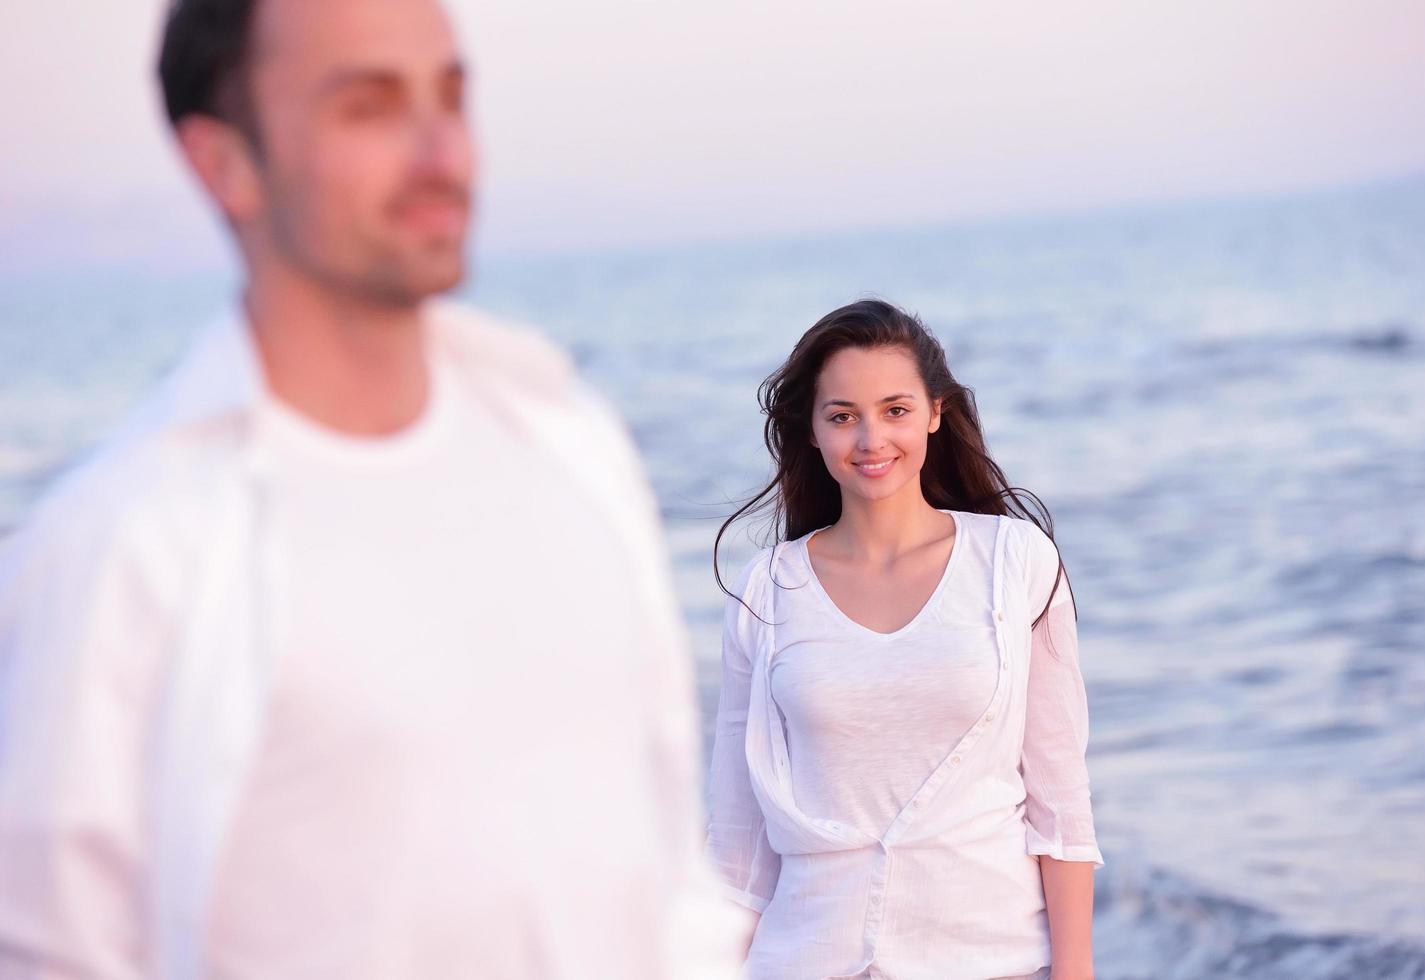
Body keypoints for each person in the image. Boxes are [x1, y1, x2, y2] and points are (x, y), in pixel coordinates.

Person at [0, 0, 738, 976]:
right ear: (224, 164)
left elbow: (666, 876)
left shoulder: (573, 442)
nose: (443, 154)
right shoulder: (120, 546)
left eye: (451, 95)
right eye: (369, 106)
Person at [705, 299, 1103, 980]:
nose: (869, 440)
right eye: (841, 416)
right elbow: (735, 844)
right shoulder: (767, 591)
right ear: (811, 431)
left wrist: (1075, 972)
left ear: (934, 413)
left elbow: (1059, 805)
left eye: (894, 410)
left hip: (993, 959)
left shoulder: (1015, 561)